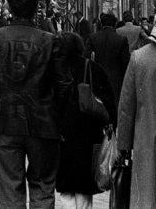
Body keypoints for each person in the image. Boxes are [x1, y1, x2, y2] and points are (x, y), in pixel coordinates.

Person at [0, 0, 73, 209]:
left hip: (4, 122)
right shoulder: (49, 39)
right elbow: (64, 85)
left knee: (9, 189)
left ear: (10, 7)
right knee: (43, 186)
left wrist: (0, 86)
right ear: (36, 7)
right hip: (43, 123)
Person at [117, 4, 156, 208]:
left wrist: (123, 146)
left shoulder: (139, 58)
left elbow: (126, 108)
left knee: (148, 195)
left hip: (146, 143)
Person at [55, 32, 117, 209]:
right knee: (83, 185)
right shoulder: (92, 68)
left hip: (62, 135)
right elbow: (109, 101)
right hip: (88, 134)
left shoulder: (56, 69)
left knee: (65, 186)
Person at [84, 12, 129, 102]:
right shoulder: (121, 39)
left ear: (101, 23)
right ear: (115, 24)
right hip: (116, 80)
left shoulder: (93, 38)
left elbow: (86, 57)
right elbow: (125, 62)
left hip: (97, 79)